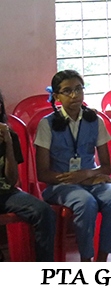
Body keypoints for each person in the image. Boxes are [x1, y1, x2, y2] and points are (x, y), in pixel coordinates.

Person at [34, 70, 111, 262]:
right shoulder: (47, 124)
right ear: (56, 96)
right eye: (67, 91)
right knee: (85, 202)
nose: (74, 95)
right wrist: (71, 179)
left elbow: (106, 167)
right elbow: (42, 173)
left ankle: (102, 259)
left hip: (91, 179)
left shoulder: (95, 120)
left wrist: (87, 175)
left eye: (78, 89)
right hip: (59, 185)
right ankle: (86, 259)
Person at [0, 89, 56, 261]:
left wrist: (8, 144)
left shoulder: (8, 134)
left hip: (5, 193)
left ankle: (43, 267)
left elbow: (11, 181)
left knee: (44, 212)